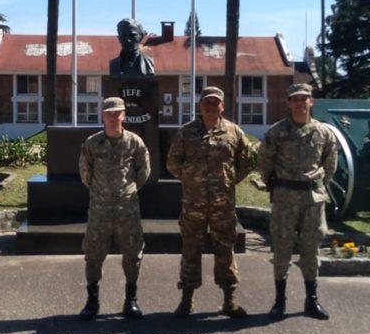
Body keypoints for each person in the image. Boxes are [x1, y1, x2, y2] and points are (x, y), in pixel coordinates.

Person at [166, 86, 253, 318]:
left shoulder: (233, 132)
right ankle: (187, 299)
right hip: (193, 204)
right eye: (207, 102)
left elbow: (247, 160)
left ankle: (229, 299)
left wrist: (230, 180)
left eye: (215, 103)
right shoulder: (186, 133)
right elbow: (172, 162)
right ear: (200, 105)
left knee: (225, 250)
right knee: (190, 249)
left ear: (222, 106)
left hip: (223, 205)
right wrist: (190, 179)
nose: (211, 106)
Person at [257, 83, 338, 320]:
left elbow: (330, 164)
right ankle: (279, 301)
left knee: (310, 250)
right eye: (295, 99)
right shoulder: (277, 132)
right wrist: (274, 184)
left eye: (304, 98)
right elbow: (264, 162)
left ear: (311, 101)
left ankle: (311, 300)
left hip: (313, 201)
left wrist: (317, 186)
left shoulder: (324, 132)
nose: (300, 103)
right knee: (281, 250)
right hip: (284, 199)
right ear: (289, 103)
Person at [77, 96, 151, 321]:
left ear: (123, 115)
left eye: (116, 113)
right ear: (102, 116)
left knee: (132, 254)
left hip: (127, 209)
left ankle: (131, 300)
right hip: (99, 210)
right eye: (108, 113)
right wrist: (102, 193)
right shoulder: (92, 143)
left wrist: (128, 190)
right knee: (93, 254)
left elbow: (144, 170)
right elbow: (85, 173)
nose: (112, 116)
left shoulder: (134, 142)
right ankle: (92, 301)